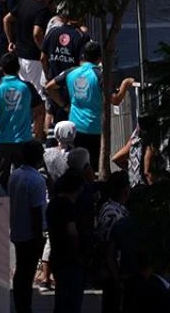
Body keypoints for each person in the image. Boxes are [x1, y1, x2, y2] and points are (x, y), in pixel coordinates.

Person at [44, 40, 136, 171]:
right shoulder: (99, 75)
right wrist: (125, 84)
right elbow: (115, 100)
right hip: (95, 128)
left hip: (75, 127)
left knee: (77, 165)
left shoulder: (71, 72)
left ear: (83, 56)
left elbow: (49, 87)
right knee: (93, 167)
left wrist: (64, 105)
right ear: (99, 58)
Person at [9, 139, 47, 313]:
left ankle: (20, 304)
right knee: (27, 272)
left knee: (21, 272)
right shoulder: (36, 180)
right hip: (30, 234)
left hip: (17, 230)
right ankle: (25, 306)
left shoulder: (15, 175)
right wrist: (39, 238)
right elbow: (36, 212)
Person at [0, 52, 45, 186]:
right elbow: (40, 112)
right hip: (24, 141)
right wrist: (38, 135)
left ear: (1, 68)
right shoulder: (27, 87)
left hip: (2, 141)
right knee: (24, 181)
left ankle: (2, 207)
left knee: (1, 182)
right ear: (18, 68)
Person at [40, 1, 89, 127]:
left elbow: (42, 58)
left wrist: (49, 76)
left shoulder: (52, 32)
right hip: (72, 87)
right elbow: (83, 65)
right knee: (72, 123)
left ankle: (50, 143)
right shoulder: (81, 36)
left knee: (50, 113)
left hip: (54, 84)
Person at [3, 0, 53, 99]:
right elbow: (36, 33)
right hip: (35, 59)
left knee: (25, 94)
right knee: (40, 95)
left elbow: (6, 19)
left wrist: (10, 41)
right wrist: (43, 49)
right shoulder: (43, 9)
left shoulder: (24, 3)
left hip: (20, 56)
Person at [48, 168, 87, 313]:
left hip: (57, 255)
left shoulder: (53, 204)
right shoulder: (68, 207)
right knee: (72, 301)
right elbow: (72, 232)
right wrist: (79, 253)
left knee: (62, 298)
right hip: (70, 259)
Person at [95, 171, 132, 313]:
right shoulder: (112, 213)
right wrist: (117, 278)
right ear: (125, 190)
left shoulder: (115, 209)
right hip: (113, 272)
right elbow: (108, 248)